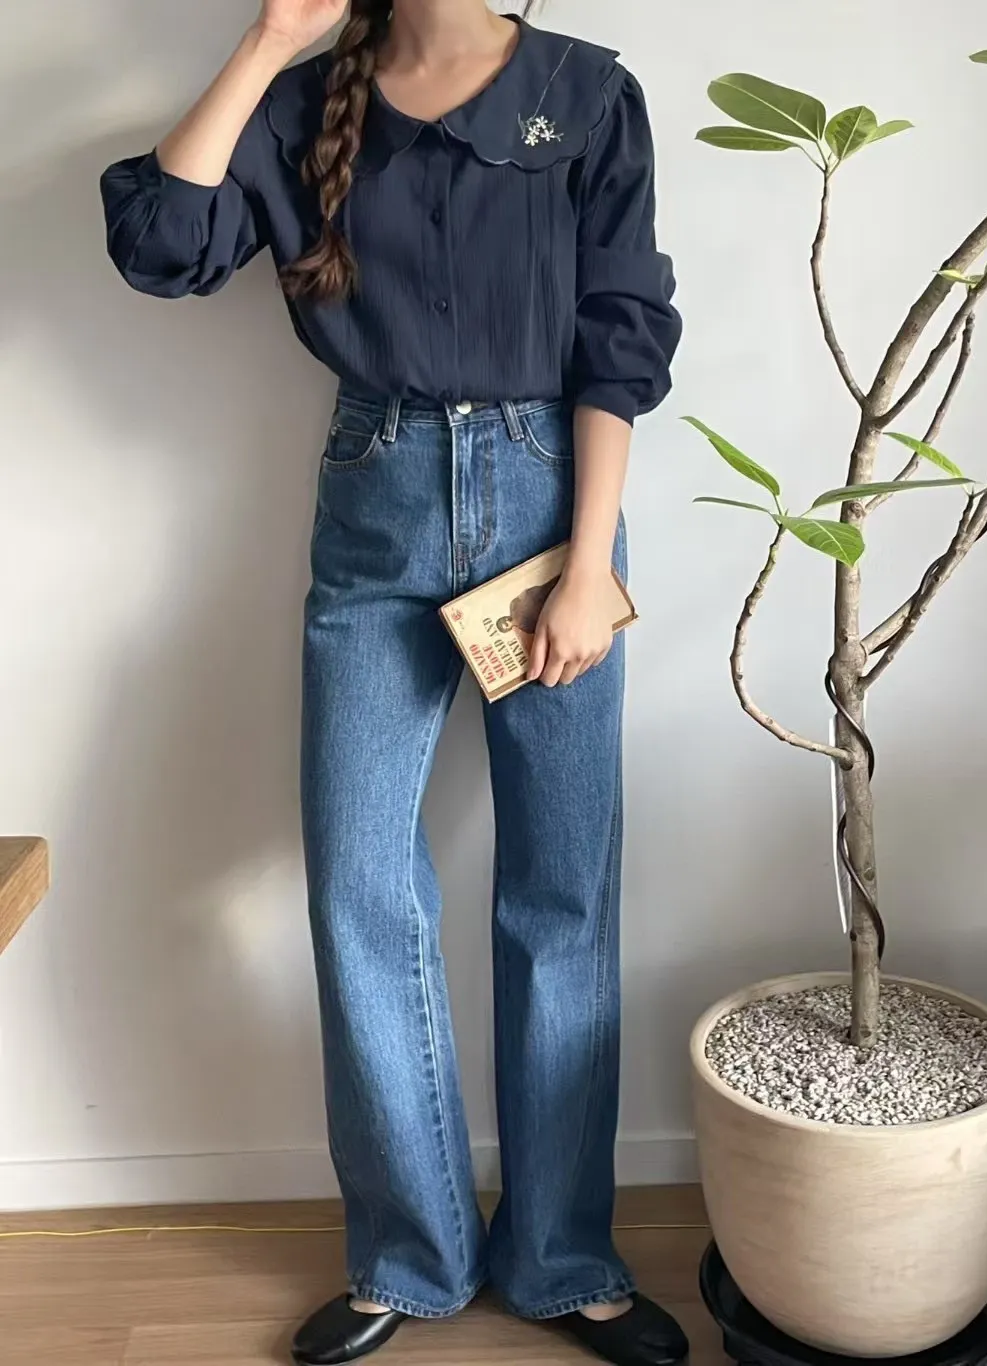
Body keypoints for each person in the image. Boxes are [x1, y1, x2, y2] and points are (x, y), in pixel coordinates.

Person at [100, 1, 683, 1362]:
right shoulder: (306, 102)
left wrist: (586, 560)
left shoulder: (586, 92)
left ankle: (562, 1258)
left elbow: (622, 328)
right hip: (376, 501)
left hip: (550, 503)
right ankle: (411, 1257)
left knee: (560, 891)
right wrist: (267, 41)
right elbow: (161, 246)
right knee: (358, 885)